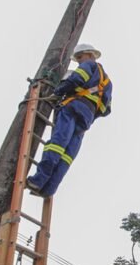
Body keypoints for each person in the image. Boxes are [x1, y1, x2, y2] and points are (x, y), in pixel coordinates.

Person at [26, 43, 112, 197]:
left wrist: (59, 91)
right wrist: (90, 112)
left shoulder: (89, 65)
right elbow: (105, 110)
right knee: (67, 155)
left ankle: (38, 181)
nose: (78, 61)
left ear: (90, 55)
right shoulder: (107, 83)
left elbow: (76, 79)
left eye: (80, 57)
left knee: (57, 144)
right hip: (87, 118)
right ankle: (48, 189)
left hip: (72, 109)